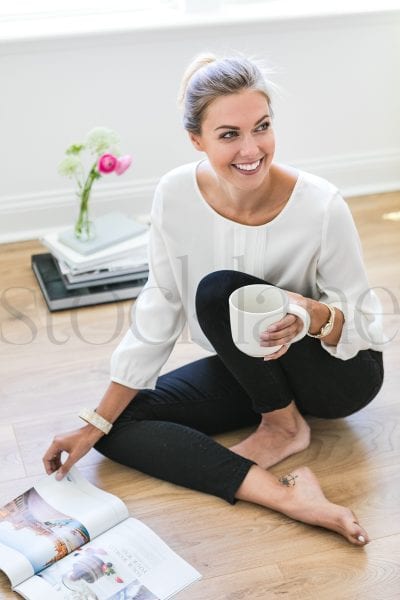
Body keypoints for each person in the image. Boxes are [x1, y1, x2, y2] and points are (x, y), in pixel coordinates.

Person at [44, 53, 385, 546]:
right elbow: (160, 302)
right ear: (196, 139)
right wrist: (93, 421)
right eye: (229, 135)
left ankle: (283, 424)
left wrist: (311, 314)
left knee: (218, 290)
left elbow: (366, 328)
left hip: (337, 375)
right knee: (121, 426)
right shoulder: (175, 194)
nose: (252, 149)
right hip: (252, 368)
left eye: (262, 127)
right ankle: (288, 494)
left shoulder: (321, 204)